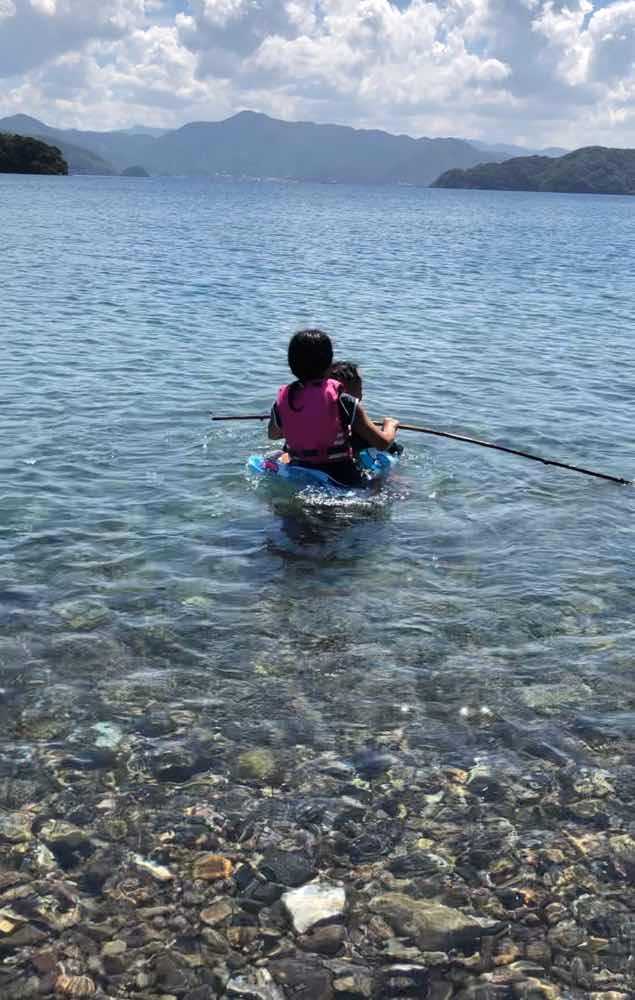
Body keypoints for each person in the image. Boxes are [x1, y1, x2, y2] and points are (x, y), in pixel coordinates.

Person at [268, 329, 398, 487]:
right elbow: (383, 443)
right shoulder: (343, 401)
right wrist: (390, 426)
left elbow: (274, 434)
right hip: (341, 476)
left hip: (299, 469)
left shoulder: (283, 401)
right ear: (329, 363)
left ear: (291, 365)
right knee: (381, 483)